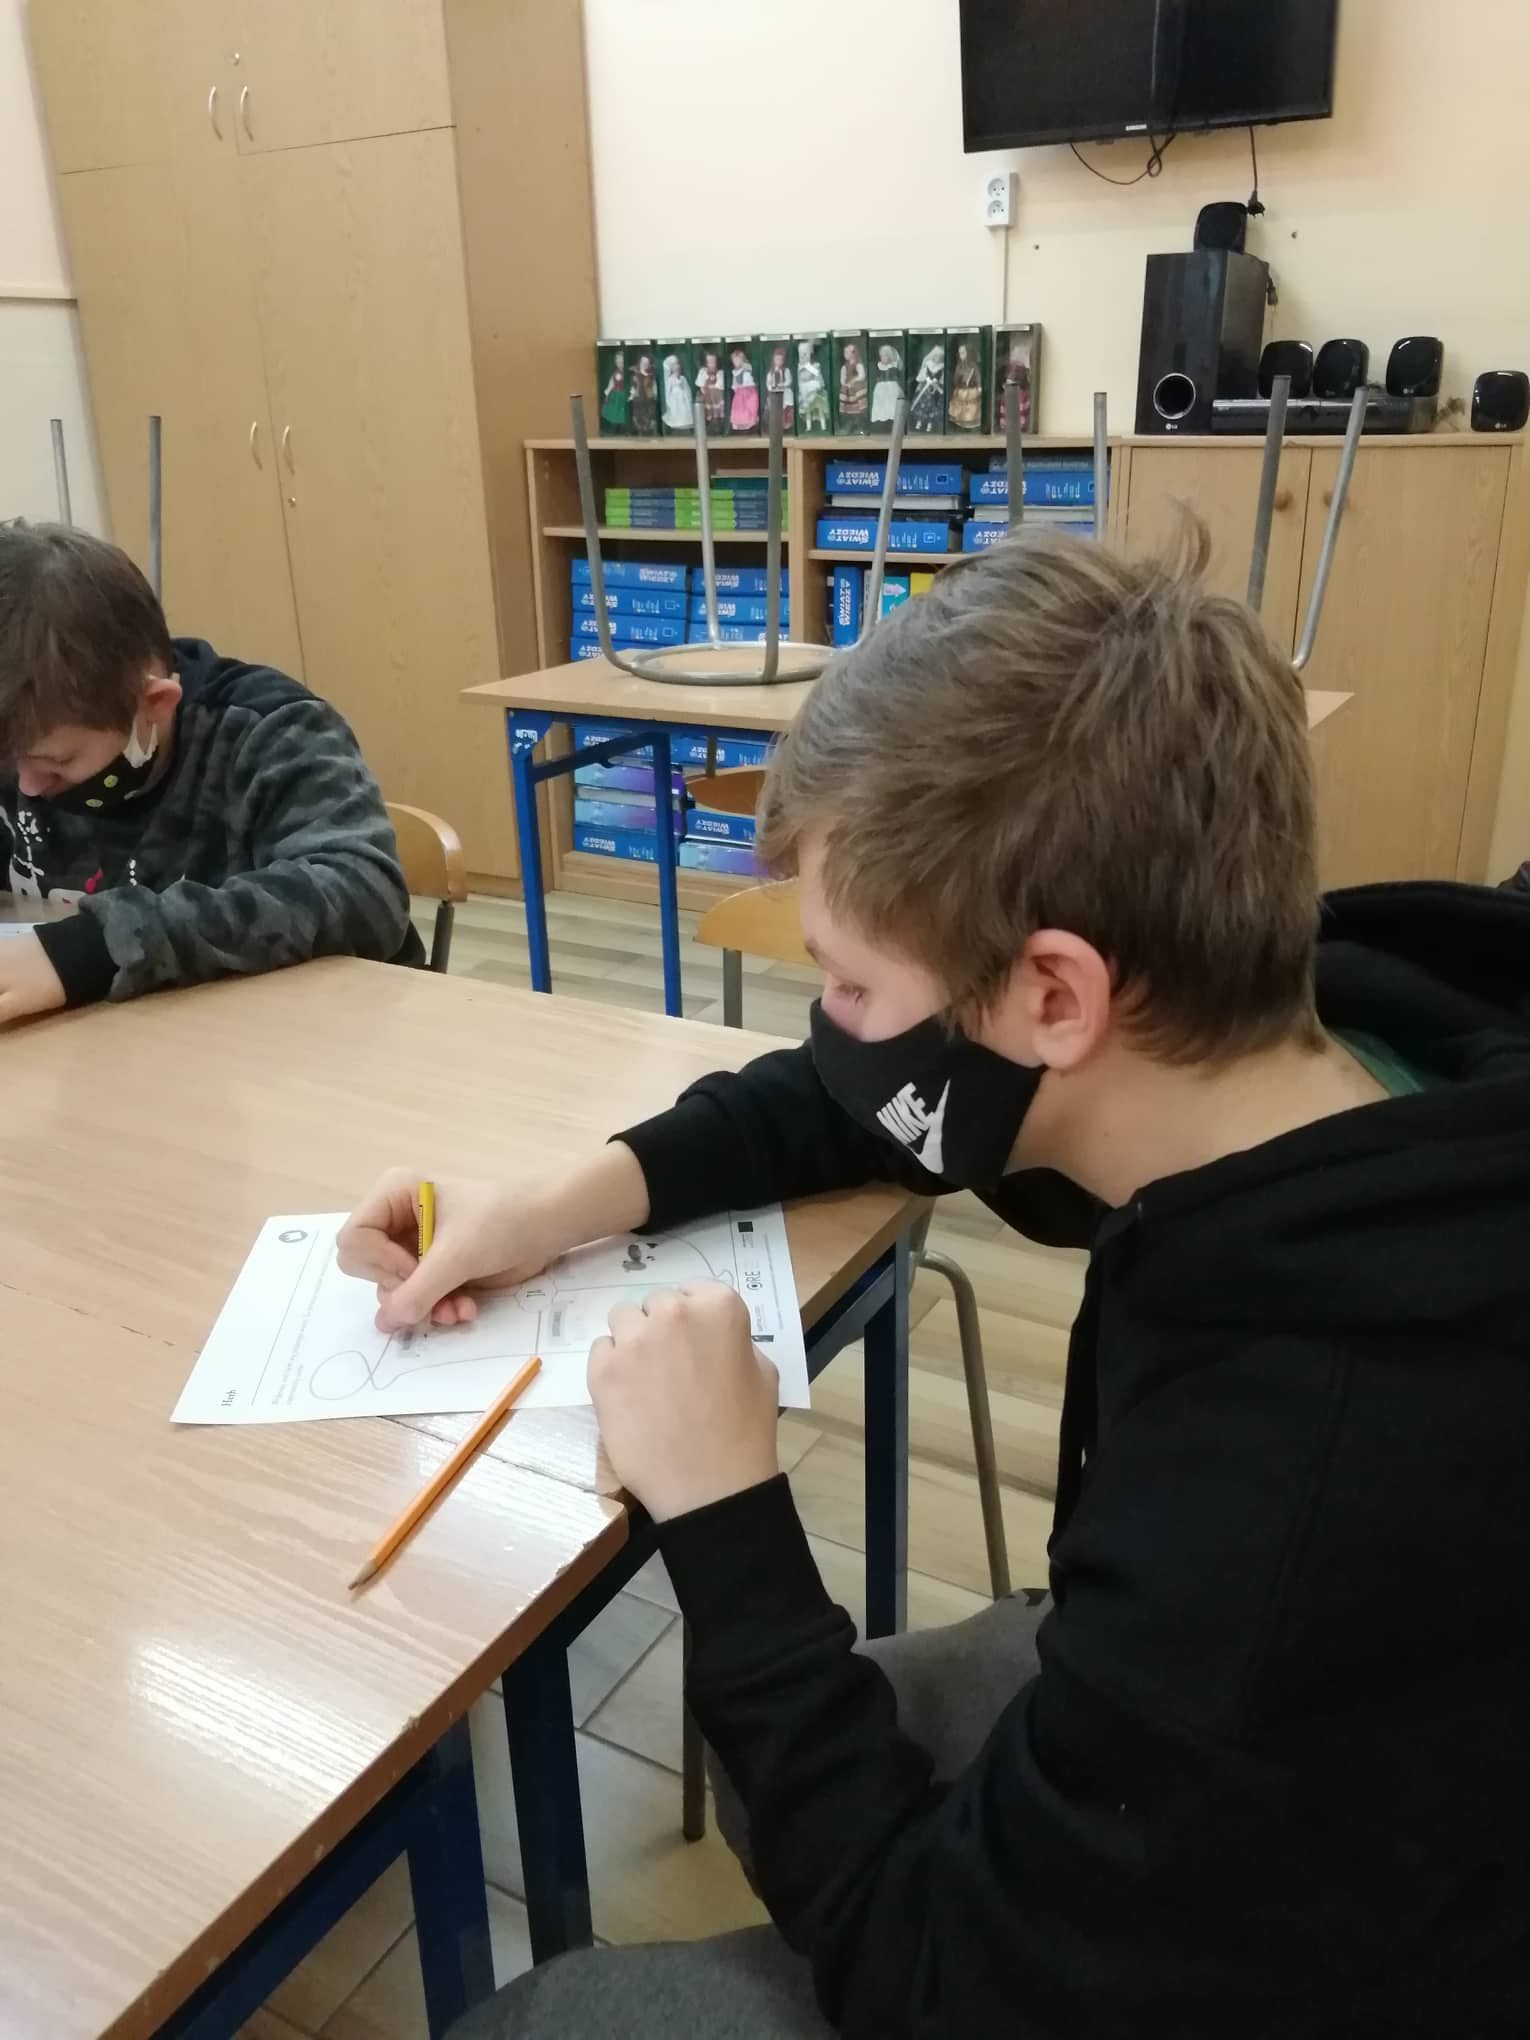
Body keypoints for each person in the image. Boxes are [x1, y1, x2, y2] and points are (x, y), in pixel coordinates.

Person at [340, 529, 1530, 2038]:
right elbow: (872, 1093)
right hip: (1297, 1745)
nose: (831, 1023)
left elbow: (944, 1985)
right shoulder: (1308, 1033)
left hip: (1345, 1934)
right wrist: (555, 1205)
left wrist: (726, 1513)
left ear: (1053, 994)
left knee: (553, 2020)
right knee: (837, 1732)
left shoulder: (1299, 1481)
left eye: (848, 980)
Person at [0, 522, 420, 1024]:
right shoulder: (24, 738)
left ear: (154, 704)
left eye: (58, 763)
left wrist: (95, 948)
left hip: (301, 1039)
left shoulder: (268, 732)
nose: (27, 786)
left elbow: (364, 894)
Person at [661, 354, 694, 433]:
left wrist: (688, 399)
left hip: (683, 401)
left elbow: (687, 389)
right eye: (674, 365)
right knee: (676, 413)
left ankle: (686, 427)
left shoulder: (683, 378)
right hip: (675, 401)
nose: (677, 367)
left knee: (684, 413)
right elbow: (668, 391)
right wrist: (669, 402)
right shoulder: (670, 379)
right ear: (671, 368)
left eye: (677, 364)